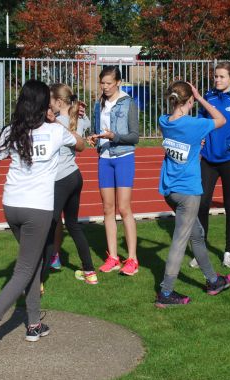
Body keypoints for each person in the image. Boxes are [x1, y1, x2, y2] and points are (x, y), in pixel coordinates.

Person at [0, 80, 84, 357]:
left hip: (11, 206)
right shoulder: (54, 131)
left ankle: (33, 324)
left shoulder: (11, 131)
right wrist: (58, 122)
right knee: (25, 270)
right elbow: (81, 145)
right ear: (44, 105)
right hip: (37, 209)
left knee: (34, 262)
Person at [156, 80, 230, 308]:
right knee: (180, 241)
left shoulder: (163, 121)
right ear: (189, 100)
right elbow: (222, 120)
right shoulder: (195, 124)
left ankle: (213, 281)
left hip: (170, 190)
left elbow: (183, 144)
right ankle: (166, 292)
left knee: (197, 234)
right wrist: (201, 98)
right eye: (192, 100)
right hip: (188, 191)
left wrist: (195, 146)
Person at [191, 62, 230, 269]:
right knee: (202, 203)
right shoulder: (209, 96)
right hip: (208, 160)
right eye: (216, 76)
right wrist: (200, 137)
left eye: (222, 76)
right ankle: (201, 251)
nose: (217, 80)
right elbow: (201, 118)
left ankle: (228, 251)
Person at [87, 66, 140, 276]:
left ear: (118, 82)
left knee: (124, 208)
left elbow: (134, 136)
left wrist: (114, 137)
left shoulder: (128, 102)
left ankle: (132, 259)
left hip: (124, 157)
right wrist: (94, 138)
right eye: (102, 83)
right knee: (108, 209)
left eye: (109, 83)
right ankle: (113, 258)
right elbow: (96, 130)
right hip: (104, 159)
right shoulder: (98, 103)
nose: (105, 87)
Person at [43, 83, 97, 284]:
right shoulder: (78, 119)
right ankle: (89, 272)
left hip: (60, 178)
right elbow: (86, 124)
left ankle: (40, 277)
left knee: (50, 225)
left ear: (58, 102)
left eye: (50, 100)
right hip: (74, 176)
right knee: (73, 224)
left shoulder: (54, 123)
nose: (48, 104)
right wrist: (80, 110)